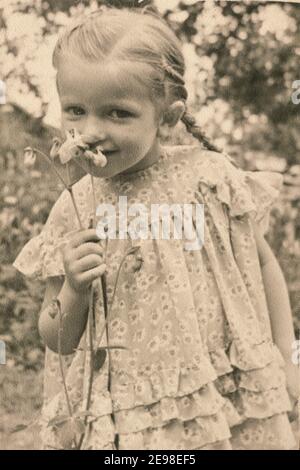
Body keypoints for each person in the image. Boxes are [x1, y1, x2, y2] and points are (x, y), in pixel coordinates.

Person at [13, 4, 298, 450]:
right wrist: (74, 288)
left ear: (166, 117)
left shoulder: (208, 181)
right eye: (75, 110)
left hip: (222, 395)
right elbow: (58, 340)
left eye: (117, 113)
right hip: (127, 413)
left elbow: (263, 268)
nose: (89, 131)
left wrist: (287, 356)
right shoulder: (73, 209)